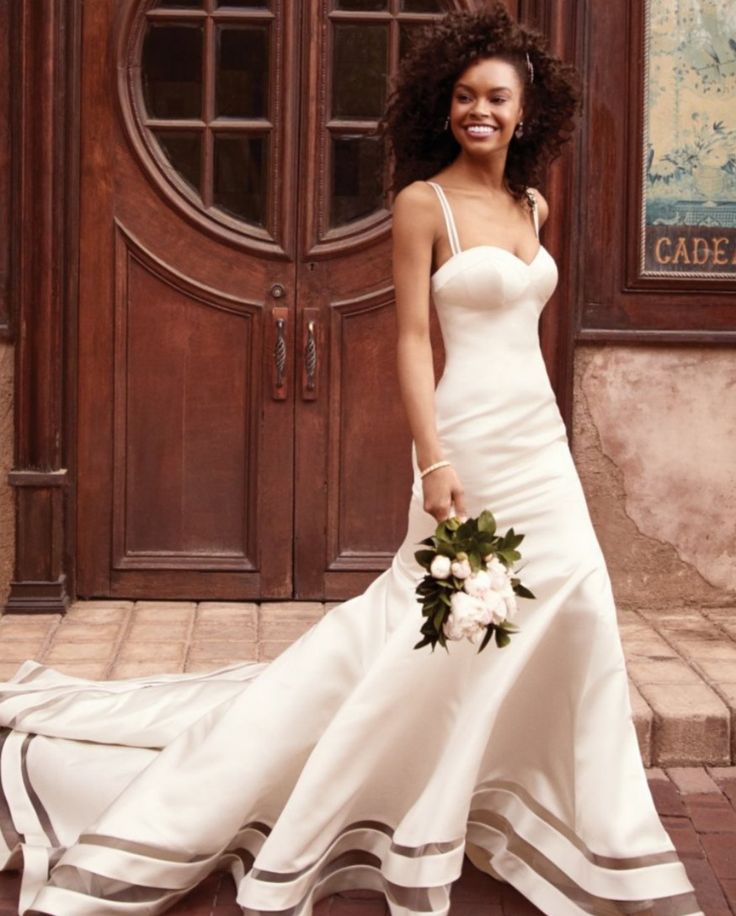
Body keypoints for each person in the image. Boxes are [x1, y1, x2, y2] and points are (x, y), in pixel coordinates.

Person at [0, 5, 703, 916]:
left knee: (574, 608)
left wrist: (551, 438)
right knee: (441, 626)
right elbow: (413, 343)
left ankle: (572, 814)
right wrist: (432, 462)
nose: (477, 111)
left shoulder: (533, 203)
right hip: (470, 444)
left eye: (496, 98)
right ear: (442, 105)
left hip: (541, 443)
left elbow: (525, 332)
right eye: (462, 96)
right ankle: (387, 790)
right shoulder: (425, 202)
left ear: (528, 112)